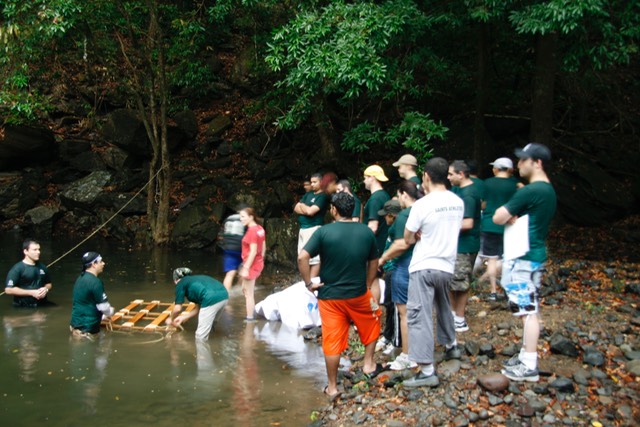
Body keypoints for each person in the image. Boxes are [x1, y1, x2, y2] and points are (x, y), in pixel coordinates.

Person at [298, 192, 382, 400]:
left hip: (330, 297)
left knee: (332, 340)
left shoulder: (324, 232)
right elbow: (374, 261)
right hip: (358, 294)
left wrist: (310, 284)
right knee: (373, 319)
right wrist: (368, 284)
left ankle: (333, 387)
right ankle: (369, 364)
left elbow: (302, 256)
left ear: (334, 210)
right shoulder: (365, 232)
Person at [493, 143, 556, 382]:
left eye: (523, 160)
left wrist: (507, 214)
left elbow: (499, 216)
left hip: (523, 258)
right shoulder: (548, 190)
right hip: (533, 254)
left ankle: (529, 364)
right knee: (528, 309)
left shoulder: (531, 191)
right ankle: (524, 355)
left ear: (536, 163)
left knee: (528, 311)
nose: (518, 164)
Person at [402, 157, 463, 388]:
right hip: (447, 265)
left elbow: (408, 238)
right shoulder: (457, 202)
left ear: (426, 176)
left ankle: (427, 370)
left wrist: (417, 234)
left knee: (419, 315)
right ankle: (451, 346)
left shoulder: (422, 204)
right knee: (444, 305)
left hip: (424, 265)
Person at [379, 180, 420, 371]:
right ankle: (419, 351)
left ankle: (406, 354)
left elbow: (402, 243)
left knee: (403, 313)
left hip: (403, 267)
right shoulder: (425, 209)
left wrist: (382, 259)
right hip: (423, 266)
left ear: (404, 194)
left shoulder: (405, 214)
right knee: (419, 311)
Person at [447, 160, 481, 332]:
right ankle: (453, 314)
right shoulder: (461, 190)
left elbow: (467, 223)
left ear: (461, 174)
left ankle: (459, 318)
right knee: (454, 282)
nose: (448, 177)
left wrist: (444, 226)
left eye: (451, 174)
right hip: (458, 245)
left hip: (465, 245)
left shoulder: (468, 194)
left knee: (460, 282)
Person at [479, 157, 519, 300]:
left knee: (492, 259)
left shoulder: (487, 183)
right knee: (509, 259)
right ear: (510, 170)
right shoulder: (514, 185)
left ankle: (493, 291)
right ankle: (510, 290)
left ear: (496, 169)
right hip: (509, 226)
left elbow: (482, 204)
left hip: (489, 225)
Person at [167, 268, 229, 340]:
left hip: (210, 299)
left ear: (175, 279)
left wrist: (171, 319)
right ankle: (214, 346)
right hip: (224, 296)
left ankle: (202, 349)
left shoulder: (181, 283)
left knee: (200, 337)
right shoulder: (195, 281)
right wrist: (183, 317)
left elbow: (177, 309)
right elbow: (198, 309)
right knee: (211, 326)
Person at [375, 199, 402, 356]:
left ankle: (396, 342)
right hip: (389, 270)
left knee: (394, 306)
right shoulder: (392, 228)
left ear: (392, 215)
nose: (384, 218)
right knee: (388, 305)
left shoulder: (396, 229)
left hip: (395, 270)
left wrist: (383, 260)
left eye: (386, 215)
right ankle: (388, 335)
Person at [363, 165, 391, 302]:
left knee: (371, 281)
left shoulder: (374, 199)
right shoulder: (385, 195)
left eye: (365, 178)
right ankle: (374, 313)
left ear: (372, 178)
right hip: (382, 244)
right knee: (375, 280)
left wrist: (359, 242)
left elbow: (372, 227)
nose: (364, 181)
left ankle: (372, 314)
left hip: (374, 247)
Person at [70, 252, 114, 337]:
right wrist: (110, 312)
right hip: (87, 330)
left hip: (75, 325)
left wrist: (102, 316)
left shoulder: (80, 278)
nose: (103, 263)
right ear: (94, 264)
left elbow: (86, 303)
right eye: (101, 261)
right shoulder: (95, 282)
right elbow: (104, 307)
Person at [293, 173, 328, 278]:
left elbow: (311, 211)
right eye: (311, 182)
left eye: (314, 182)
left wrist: (303, 206)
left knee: (314, 258)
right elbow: (296, 208)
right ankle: (306, 281)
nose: (312, 184)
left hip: (314, 228)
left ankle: (312, 281)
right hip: (303, 228)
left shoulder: (323, 196)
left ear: (321, 182)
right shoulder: (309, 194)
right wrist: (306, 208)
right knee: (302, 256)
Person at [5, 239, 53, 307]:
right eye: (35, 250)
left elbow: (49, 284)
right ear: (26, 251)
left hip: (42, 303)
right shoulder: (17, 269)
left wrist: (46, 289)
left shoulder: (42, 267)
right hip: (23, 305)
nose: (38, 252)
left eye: (39, 249)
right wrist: (32, 293)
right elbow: (8, 290)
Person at [239, 207, 266, 321]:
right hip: (257, 263)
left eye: (243, 217)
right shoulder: (259, 228)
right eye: (240, 216)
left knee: (248, 294)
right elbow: (263, 245)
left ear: (251, 217)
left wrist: (246, 267)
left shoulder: (252, 232)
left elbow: (253, 251)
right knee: (245, 289)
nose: (241, 219)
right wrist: (262, 259)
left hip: (251, 265)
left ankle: (250, 318)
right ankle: (251, 313)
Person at [217, 213, 246, 292]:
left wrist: (224, 245)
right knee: (243, 270)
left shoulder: (228, 218)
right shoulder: (245, 219)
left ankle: (226, 295)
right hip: (240, 249)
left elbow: (222, 234)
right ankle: (239, 290)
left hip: (228, 249)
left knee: (230, 273)